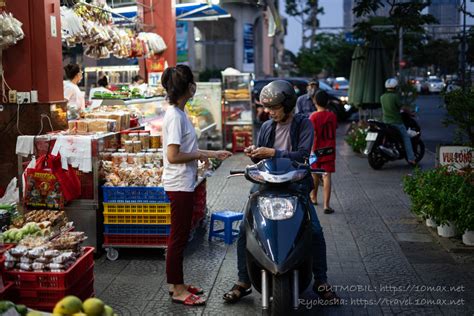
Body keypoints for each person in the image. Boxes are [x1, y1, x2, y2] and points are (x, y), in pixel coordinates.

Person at [222, 80, 340, 305]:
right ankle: (243, 281)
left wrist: (273, 152)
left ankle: (321, 281)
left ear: (287, 105)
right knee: (244, 230)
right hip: (266, 184)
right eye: (267, 108)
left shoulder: (304, 124)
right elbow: (260, 159)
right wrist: (254, 154)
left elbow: (304, 156)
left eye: (274, 108)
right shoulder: (266, 127)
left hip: (295, 185)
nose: (269, 112)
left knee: (314, 230)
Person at [161, 65, 232, 306]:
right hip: (179, 184)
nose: (195, 85)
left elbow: (185, 151)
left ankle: (175, 283)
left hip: (183, 182)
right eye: (193, 81)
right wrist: (199, 155)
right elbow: (173, 155)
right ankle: (179, 289)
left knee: (179, 235)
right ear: (188, 87)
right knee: (179, 237)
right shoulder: (175, 117)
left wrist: (212, 153)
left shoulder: (179, 113)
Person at [309, 90, 337, 214]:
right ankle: (326, 205)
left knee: (314, 174)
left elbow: (312, 134)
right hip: (329, 150)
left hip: (316, 150)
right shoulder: (332, 116)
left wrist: (310, 151)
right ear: (327, 102)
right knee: (327, 176)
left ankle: (313, 198)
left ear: (315, 101)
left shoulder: (313, 117)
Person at [380, 78, 416, 165]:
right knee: (406, 138)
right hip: (396, 122)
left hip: (385, 122)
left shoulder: (382, 97)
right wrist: (410, 113)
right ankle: (411, 159)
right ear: (395, 87)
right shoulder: (395, 96)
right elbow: (402, 107)